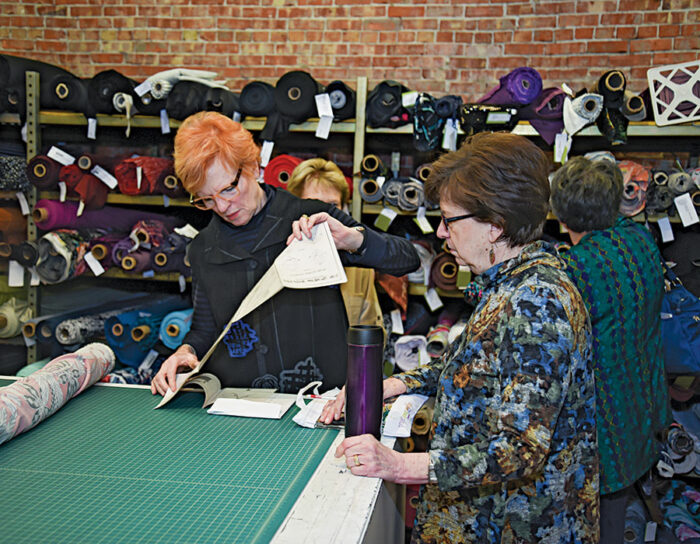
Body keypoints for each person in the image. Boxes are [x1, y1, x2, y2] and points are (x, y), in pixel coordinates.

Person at [320, 132, 599, 543]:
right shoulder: (508, 285)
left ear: (494, 225)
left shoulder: (536, 303)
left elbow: (520, 450)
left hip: (514, 526)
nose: (441, 231)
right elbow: (467, 366)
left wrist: (399, 465)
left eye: (450, 219)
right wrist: (392, 383)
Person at [150, 111, 419, 395]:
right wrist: (185, 351)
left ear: (253, 165)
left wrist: (352, 239)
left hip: (319, 400)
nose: (222, 206)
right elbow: (206, 329)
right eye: (206, 199)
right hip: (240, 404)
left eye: (228, 188)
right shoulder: (205, 247)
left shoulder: (309, 218)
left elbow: (406, 259)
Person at [550, 156, 671, 544]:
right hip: (644, 401)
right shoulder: (639, 239)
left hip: (603, 427)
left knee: (598, 526)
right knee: (617, 514)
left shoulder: (575, 269)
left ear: (560, 216)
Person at [287, 158, 383, 330]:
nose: (324, 215)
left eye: (333, 206)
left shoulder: (359, 271)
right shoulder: (278, 261)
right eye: (313, 204)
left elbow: (371, 335)